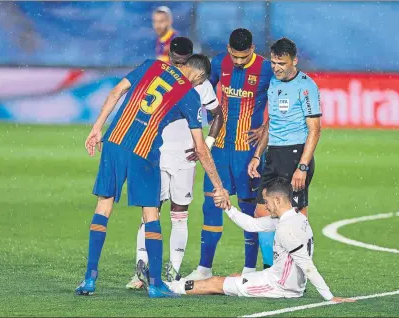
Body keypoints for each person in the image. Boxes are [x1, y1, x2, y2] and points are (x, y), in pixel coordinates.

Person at [75, 54, 231, 298]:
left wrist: (97, 127)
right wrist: (219, 186)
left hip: (114, 141)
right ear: (199, 76)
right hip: (143, 151)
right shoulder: (189, 95)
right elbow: (200, 148)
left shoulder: (152, 65)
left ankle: (89, 279)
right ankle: (156, 283)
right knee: (151, 213)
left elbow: (116, 91)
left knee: (103, 207)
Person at [146, 177, 355, 304]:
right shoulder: (295, 218)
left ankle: (171, 287)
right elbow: (252, 225)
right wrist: (229, 208)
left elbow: (307, 266)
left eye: (267, 202)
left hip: (280, 287)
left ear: (278, 200)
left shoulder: (286, 229)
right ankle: (178, 284)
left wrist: (329, 296)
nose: (266, 206)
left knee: (217, 283)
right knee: (235, 276)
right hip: (283, 280)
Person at [126, 37, 223, 290]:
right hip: (156, 155)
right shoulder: (160, 78)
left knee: (179, 216)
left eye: (182, 61)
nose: (177, 65)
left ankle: (172, 272)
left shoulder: (201, 85)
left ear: (190, 60)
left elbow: (217, 115)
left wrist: (208, 144)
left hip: (185, 159)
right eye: (174, 60)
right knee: (150, 212)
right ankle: (141, 270)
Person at [185, 28, 273, 281]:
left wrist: (265, 129)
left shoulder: (266, 69)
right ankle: (204, 269)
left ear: (253, 50)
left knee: (249, 210)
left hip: (247, 152)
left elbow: (278, 104)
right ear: (228, 49)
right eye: (234, 56)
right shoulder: (218, 62)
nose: (237, 62)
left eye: (243, 58)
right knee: (211, 207)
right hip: (220, 150)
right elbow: (200, 91)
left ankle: (249, 270)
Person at [248, 38, 323, 266]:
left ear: (294, 61)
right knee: (262, 213)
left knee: (296, 219)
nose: (276, 67)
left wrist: (302, 166)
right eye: (273, 62)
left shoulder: (307, 86)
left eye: (281, 63)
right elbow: (271, 122)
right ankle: (272, 269)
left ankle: (299, 270)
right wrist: (257, 155)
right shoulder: (274, 83)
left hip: (295, 156)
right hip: (273, 156)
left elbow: (315, 130)